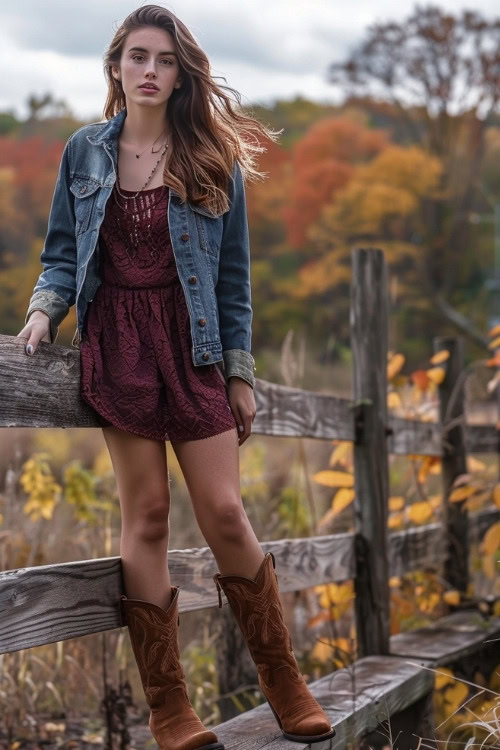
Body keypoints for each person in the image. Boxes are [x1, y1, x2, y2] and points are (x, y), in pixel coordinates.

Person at [17, 5, 335, 749]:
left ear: (179, 71)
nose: (149, 70)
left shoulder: (210, 158)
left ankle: (286, 684)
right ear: (117, 67)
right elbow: (62, 253)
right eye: (137, 57)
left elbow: (233, 283)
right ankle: (170, 709)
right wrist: (43, 313)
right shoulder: (83, 152)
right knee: (149, 515)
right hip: (118, 345)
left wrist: (241, 373)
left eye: (163, 58)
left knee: (225, 512)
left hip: (192, 348)